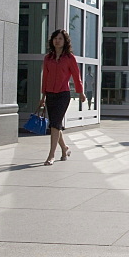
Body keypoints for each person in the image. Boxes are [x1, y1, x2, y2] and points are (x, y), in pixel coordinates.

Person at [38, 30, 85, 165]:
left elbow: (76, 76)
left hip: (63, 95)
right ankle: (64, 148)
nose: (57, 41)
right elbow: (45, 77)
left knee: (55, 124)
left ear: (65, 42)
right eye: (55, 38)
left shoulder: (70, 58)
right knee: (55, 125)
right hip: (50, 94)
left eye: (60, 39)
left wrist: (80, 92)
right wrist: (43, 95)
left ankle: (51, 155)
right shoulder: (48, 58)